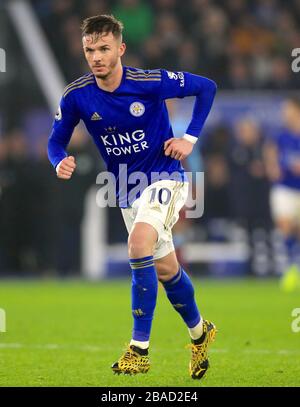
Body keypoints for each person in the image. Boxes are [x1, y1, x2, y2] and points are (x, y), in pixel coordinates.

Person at [48, 14, 217, 379]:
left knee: (139, 245)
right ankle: (201, 332)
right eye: (90, 50)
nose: (96, 57)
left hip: (165, 177)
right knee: (166, 269)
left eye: (104, 48)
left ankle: (138, 349)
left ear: (120, 49)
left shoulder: (150, 82)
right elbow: (55, 140)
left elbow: (207, 87)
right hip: (126, 190)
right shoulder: (77, 95)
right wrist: (59, 160)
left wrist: (190, 137)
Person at [265, 97, 300, 291]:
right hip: (284, 187)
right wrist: (273, 167)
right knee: (284, 225)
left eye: (288, 109)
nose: (284, 113)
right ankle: (289, 269)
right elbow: (271, 151)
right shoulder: (280, 135)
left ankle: (295, 265)